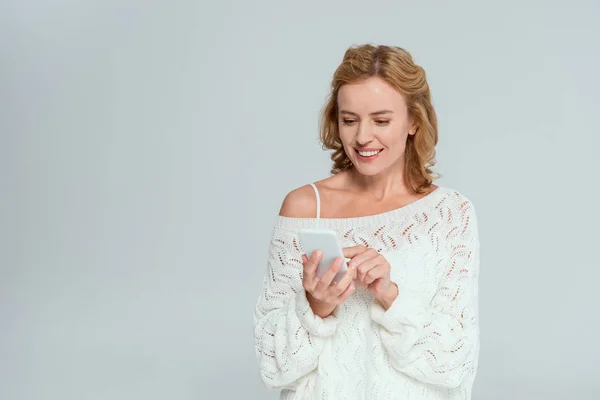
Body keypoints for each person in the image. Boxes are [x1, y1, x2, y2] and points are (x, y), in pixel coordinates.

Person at [253, 44, 480, 400]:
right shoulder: (303, 209)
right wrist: (317, 305)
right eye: (349, 120)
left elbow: (456, 363)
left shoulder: (449, 214)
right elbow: (273, 366)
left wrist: (389, 294)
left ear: (414, 121)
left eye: (381, 120)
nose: (361, 137)